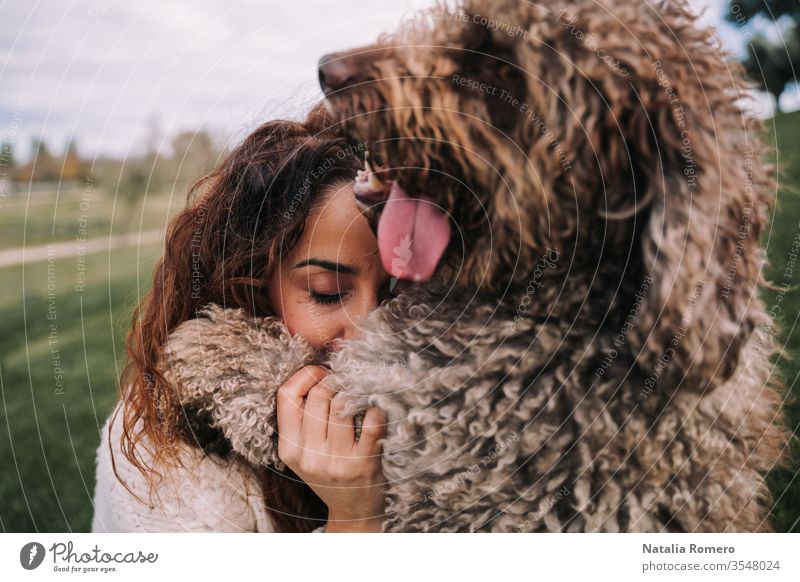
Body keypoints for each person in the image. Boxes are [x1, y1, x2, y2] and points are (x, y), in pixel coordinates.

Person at [91, 106, 390, 533]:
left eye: (398, 294)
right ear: (249, 281)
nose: (369, 333)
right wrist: (358, 519)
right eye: (327, 292)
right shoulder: (162, 447)